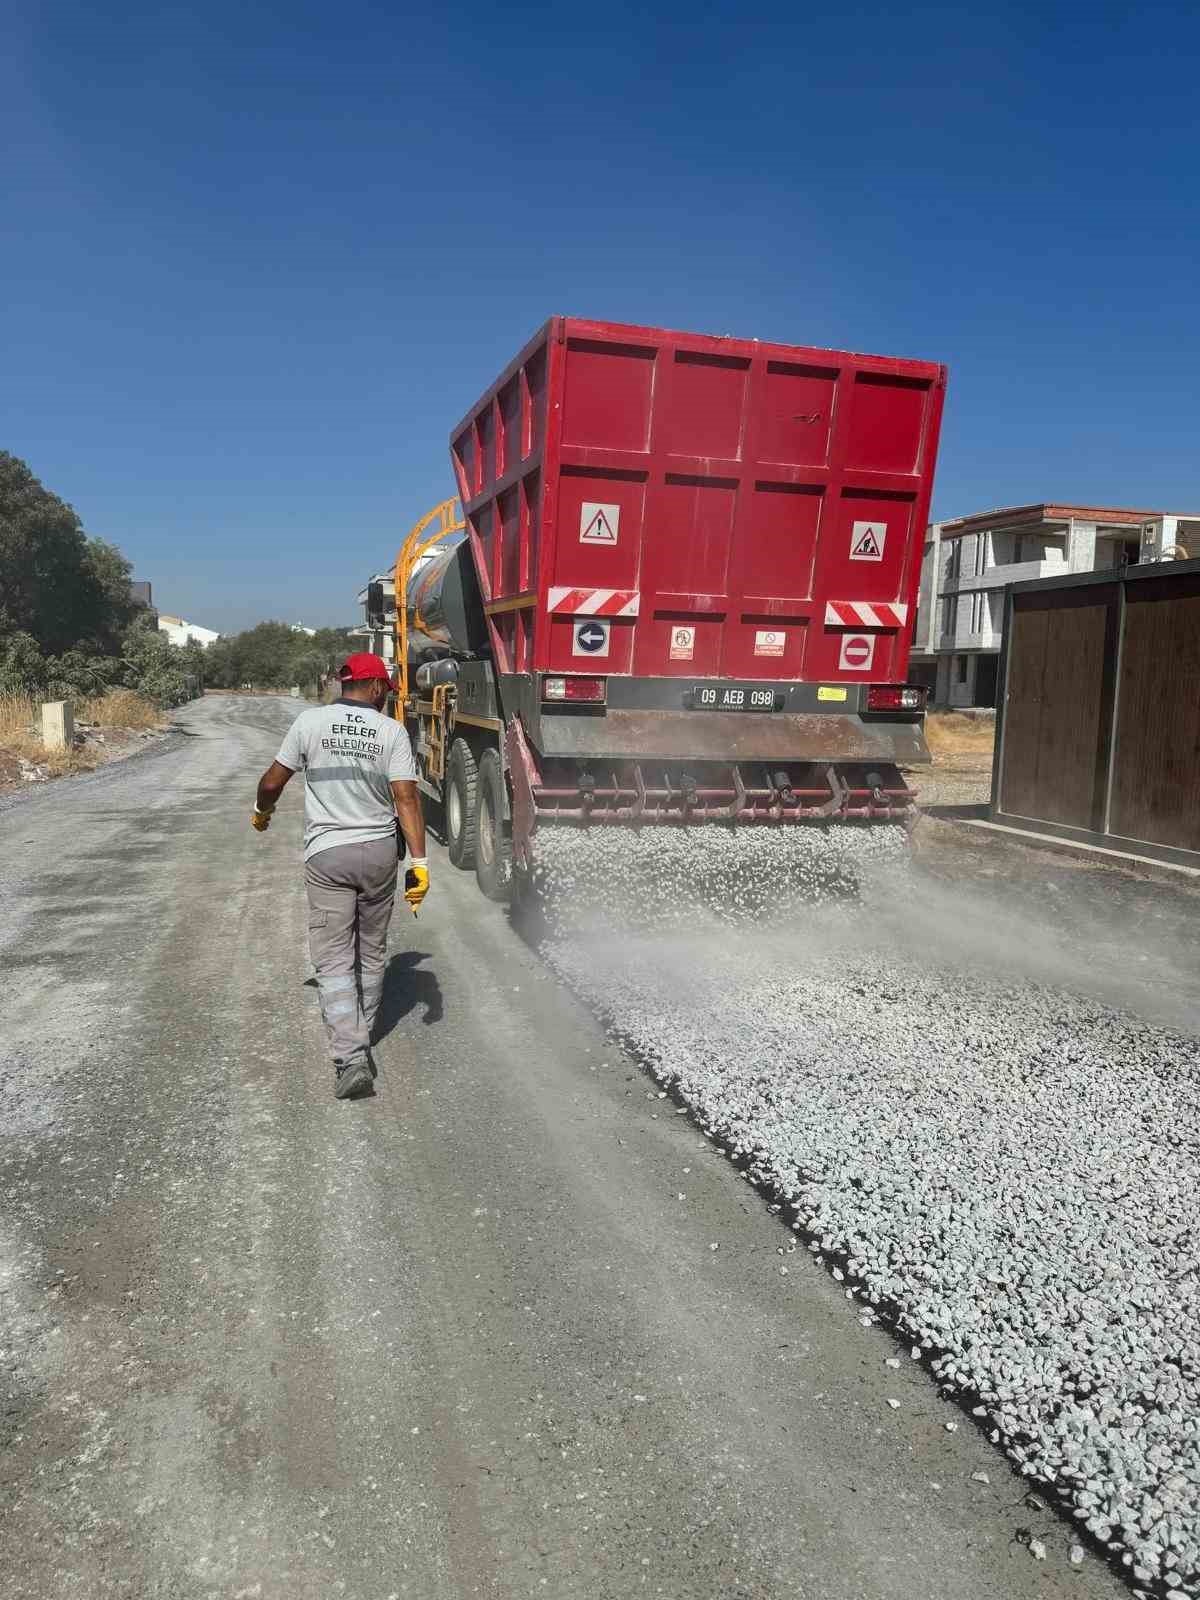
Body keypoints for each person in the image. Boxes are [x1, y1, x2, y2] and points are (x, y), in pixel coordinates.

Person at [251, 653, 429, 1098]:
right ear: (373, 687)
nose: (386, 696)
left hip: (328, 856)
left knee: (332, 959)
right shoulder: (391, 732)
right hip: (380, 855)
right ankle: (363, 1033)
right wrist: (419, 865)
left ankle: (350, 1057)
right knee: (371, 951)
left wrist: (262, 812)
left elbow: (272, 782)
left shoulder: (309, 724)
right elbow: (406, 798)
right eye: (386, 689)